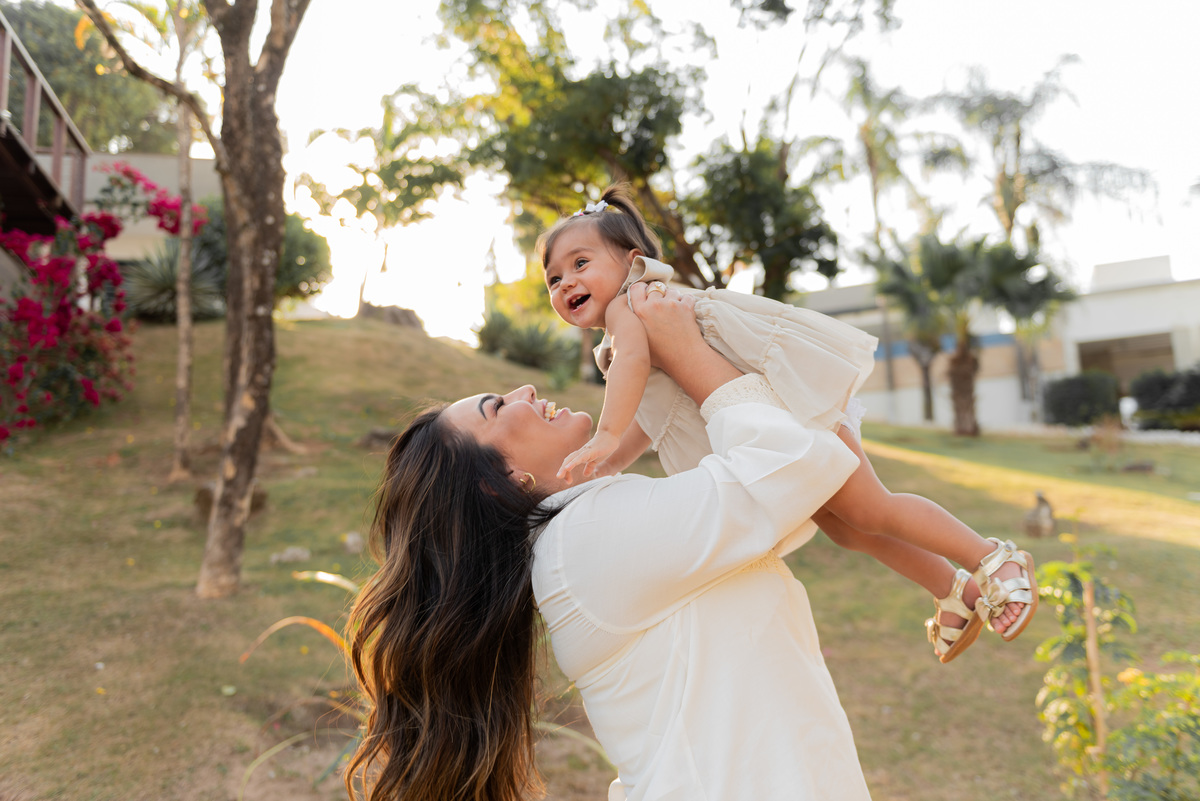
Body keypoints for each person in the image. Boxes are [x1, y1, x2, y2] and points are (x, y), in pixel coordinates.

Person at [345, 285, 874, 800]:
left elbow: (782, 509)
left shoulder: (583, 532)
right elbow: (795, 467)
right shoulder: (584, 540)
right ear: (500, 478)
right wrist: (685, 348)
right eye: (497, 406)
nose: (524, 391)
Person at [540, 184, 1037, 663]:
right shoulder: (630, 326)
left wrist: (605, 436)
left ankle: (992, 558)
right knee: (849, 528)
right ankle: (955, 591)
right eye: (554, 279)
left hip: (790, 408)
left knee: (871, 508)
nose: (567, 284)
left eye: (580, 264)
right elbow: (657, 415)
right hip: (780, 415)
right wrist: (615, 459)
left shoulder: (632, 305)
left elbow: (630, 367)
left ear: (632, 262)